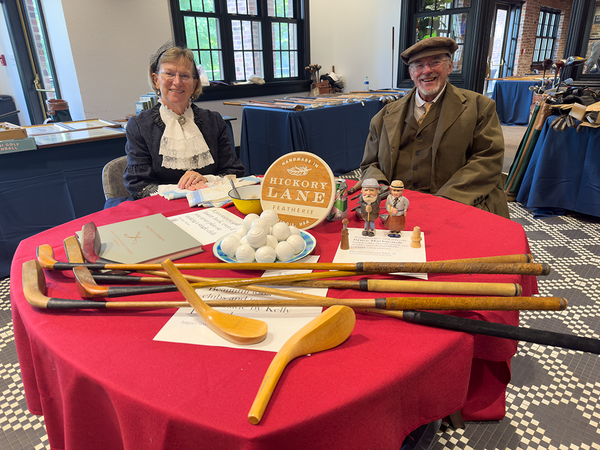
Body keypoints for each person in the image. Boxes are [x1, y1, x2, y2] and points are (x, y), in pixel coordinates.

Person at [360, 37, 510, 219]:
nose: (427, 71)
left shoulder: (480, 108)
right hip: (396, 208)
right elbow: (370, 163)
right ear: (411, 72)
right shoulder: (384, 116)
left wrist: (445, 200)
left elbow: (488, 160)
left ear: (449, 66)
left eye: (435, 62)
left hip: (455, 205)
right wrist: (383, 192)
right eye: (418, 65)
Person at [123, 45, 245, 200]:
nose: (177, 81)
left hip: (211, 204)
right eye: (169, 74)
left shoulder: (214, 121)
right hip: (164, 210)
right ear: (156, 80)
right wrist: (184, 189)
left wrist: (207, 180)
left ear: (194, 84)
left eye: (185, 76)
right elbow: (139, 186)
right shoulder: (139, 126)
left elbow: (234, 173)